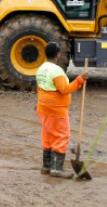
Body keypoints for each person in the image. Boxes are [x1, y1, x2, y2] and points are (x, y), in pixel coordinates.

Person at [35, 41, 87, 179]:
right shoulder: (56, 71)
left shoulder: (41, 68)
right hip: (56, 110)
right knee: (61, 136)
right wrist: (80, 80)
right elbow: (65, 89)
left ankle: (46, 166)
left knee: (48, 134)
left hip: (43, 107)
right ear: (57, 55)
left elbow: (39, 88)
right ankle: (57, 169)